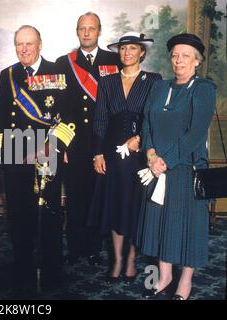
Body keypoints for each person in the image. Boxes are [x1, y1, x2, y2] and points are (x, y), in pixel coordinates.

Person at [136, 33, 216, 300]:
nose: (179, 60)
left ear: (196, 61)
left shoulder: (203, 88)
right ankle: (165, 276)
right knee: (160, 223)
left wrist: (165, 161)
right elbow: (146, 122)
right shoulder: (160, 87)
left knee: (187, 224)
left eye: (186, 56)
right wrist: (150, 155)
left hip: (185, 168)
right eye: (175, 55)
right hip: (156, 167)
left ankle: (185, 282)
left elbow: (195, 133)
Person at [0, 25, 73, 293]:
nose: (24, 49)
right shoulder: (8, 76)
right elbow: (2, 119)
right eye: (19, 44)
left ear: (40, 44)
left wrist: (53, 145)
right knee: (19, 215)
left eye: (29, 44)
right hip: (16, 155)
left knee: (48, 214)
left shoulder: (58, 72)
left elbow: (70, 116)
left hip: (47, 153)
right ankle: (23, 268)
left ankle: (52, 271)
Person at [87, 32, 161, 283]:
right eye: (123, 49)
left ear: (142, 52)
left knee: (134, 206)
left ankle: (130, 258)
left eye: (133, 48)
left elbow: (155, 117)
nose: (127, 52)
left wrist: (139, 139)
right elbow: (100, 120)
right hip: (113, 154)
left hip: (141, 155)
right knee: (116, 205)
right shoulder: (107, 82)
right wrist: (98, 152)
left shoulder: (154, 81)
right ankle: (117, 258)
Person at [55, 12, 121, 266]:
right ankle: (74, 247)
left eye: (91, 28)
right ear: (77, 31)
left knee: (98, 196)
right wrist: (63, 144)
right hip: (76, 141)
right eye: (82, 28)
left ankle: (93, 247)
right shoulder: (64, 62)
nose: (86, 33)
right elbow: (59, 108)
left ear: (99, 31)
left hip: (103, 140)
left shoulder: (113, 60)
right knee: (75, 196)